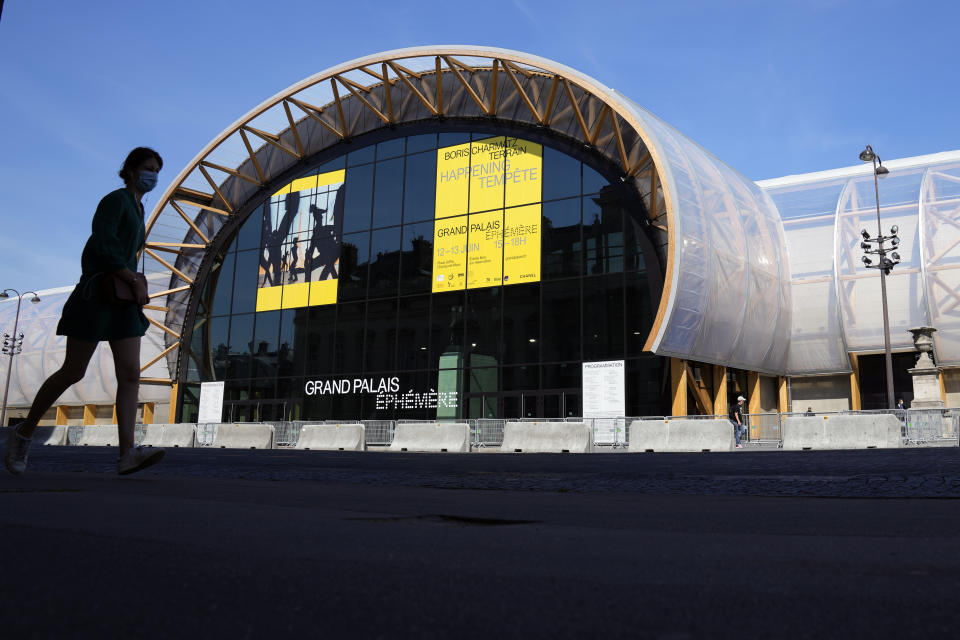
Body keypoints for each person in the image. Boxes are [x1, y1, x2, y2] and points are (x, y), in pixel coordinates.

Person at [5, 147, 167, 476]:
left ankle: (127, 454)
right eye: (149, 168)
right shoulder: (116, 201)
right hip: (99, 293)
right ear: (132, 170)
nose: (153, 176)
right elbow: (102, 245)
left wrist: (135, 283)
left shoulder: (138, 209)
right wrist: (129, 278)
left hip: (123, 299)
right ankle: (23, 433)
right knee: (74, 370)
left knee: (130, 374)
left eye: (157, 170)